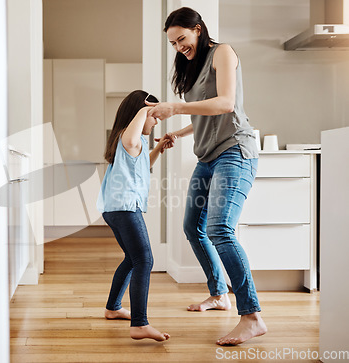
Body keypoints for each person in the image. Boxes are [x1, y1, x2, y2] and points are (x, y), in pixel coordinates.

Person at [146, 7, 267, 346]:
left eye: (181, 39)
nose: (179, 47)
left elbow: (226, 103)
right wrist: (179, 134)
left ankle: (252, 316)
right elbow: (205, 113)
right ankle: (219, 294)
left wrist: (176, 107)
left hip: (235, 152)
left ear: (198, 29)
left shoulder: (222, 53)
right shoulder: (193, 65)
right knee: (191, 226)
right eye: (173, 43)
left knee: (219, 229)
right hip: (208, 157)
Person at [97, 90, 172, 342]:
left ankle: (113, 307)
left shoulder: (132, 140)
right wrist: (145, 109)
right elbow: (133, 140)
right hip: (125, 207)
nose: (156, 121)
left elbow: (139, 165)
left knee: (132, 258)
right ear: (142, 113)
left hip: (115, 208)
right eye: (154, 116)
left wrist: (159, 149)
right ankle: (140, 324)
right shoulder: (129, 137)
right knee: (145, 260)